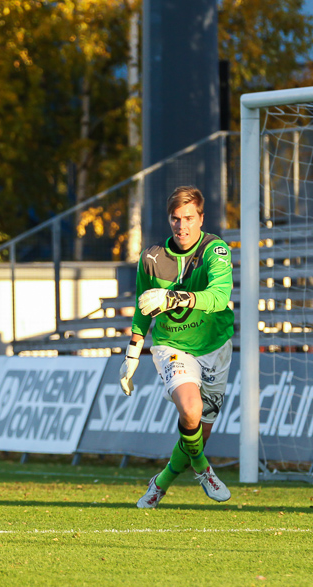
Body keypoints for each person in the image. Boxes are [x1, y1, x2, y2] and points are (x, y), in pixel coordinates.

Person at [120, 186, 234, 508]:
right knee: (191, 409)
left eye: (188, 218)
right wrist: (132, 354)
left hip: (214, 346)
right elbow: (143, 309)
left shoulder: (216, 251)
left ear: (201, 218)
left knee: (198, 433)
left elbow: (219, 297)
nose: (181, 226)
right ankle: (203, 469)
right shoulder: (152, 258)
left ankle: (161, 483)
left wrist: (174, 297)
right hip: (172, 345)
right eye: (175, 219)